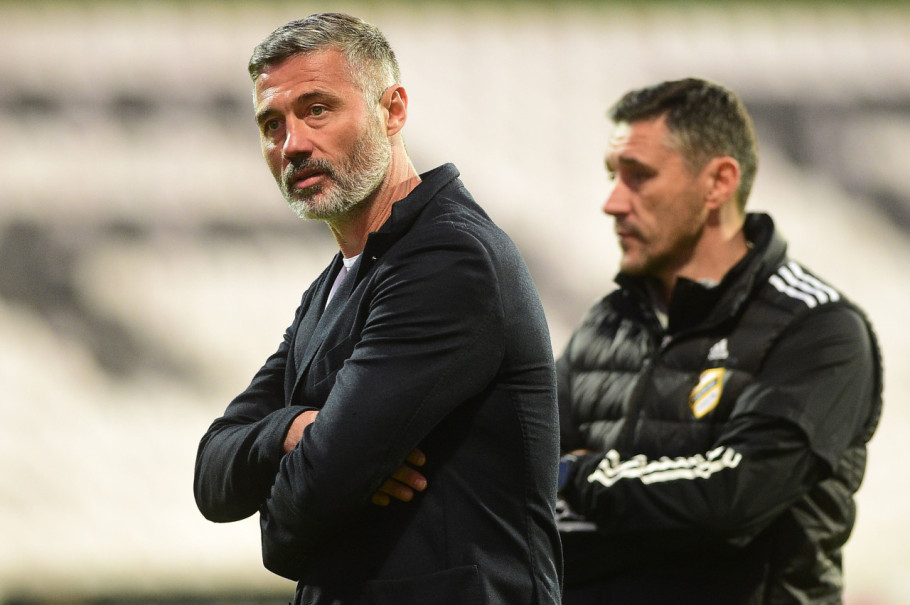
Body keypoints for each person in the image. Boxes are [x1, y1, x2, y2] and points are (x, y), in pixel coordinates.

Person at [193, 13, 562, 605]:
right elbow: (211, 477)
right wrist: (293, 429)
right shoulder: (335, 284)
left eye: (317, 109)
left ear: (393, 110)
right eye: (271, 124)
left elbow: (307, 506)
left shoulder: (449, 259)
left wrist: (293, 495)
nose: (293, 145)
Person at [555, 78, 882, 604]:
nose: (612, 203)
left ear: (718, 183)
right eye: (614, 176)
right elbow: (520, 463)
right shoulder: (608, 322)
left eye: (639, 176)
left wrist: (578, 474)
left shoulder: (817, 328)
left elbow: (731, 496)